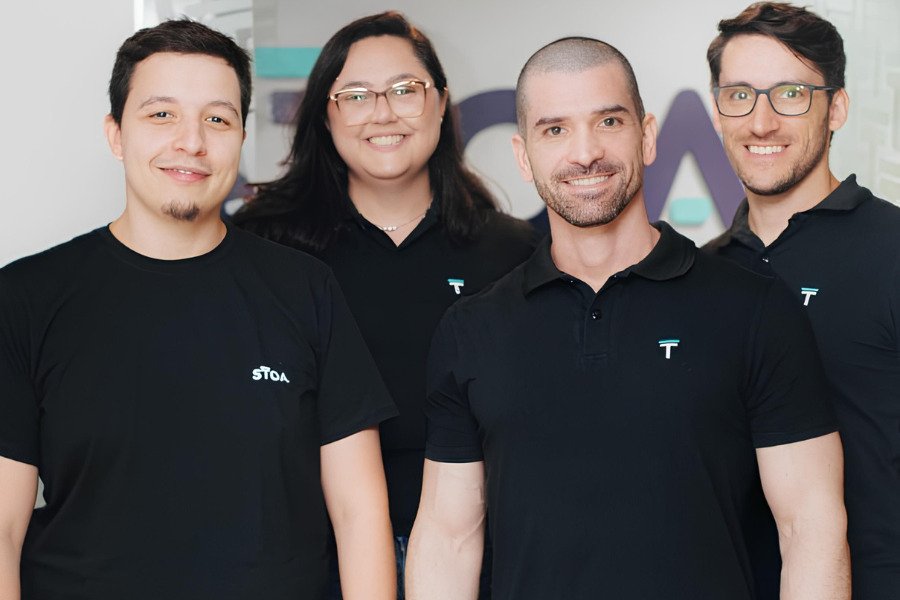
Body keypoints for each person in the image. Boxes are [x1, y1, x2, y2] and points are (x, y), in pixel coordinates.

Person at [406, 36, 850, 600]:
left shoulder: (755, 309)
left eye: (609, 121)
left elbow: (811, 527)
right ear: (523, 155)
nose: (585, 152)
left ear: (647, 136)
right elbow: (448, 539)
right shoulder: (471, 329)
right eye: (555, 129)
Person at [0, 19, 397, 600]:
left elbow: (359, 514)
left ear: (241, 138)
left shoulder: (305, 289)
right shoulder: (26, 296)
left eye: (217, 119)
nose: (191, 142)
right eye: (162, 114)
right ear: (116, 134)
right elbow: (4, 527)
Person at [232, 12, 538, 598]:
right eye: (355, 96)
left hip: (479, 558)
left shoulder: (511, 250)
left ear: (441, 102)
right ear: (325, 114)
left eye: (404, 90)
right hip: (310, 559)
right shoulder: (266, 245)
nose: (382, 113)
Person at [704, 3, 900, 598]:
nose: (761, 122)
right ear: (717, 111)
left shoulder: (892, 249)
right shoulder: (700, 275)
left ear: (836, 108)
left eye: (790, 94)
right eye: (740, 95)